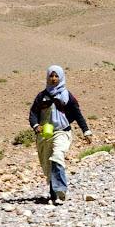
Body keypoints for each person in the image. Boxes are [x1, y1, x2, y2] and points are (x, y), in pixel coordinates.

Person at [29, 65, 92, 204]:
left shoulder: (67, 95)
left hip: (62, 132)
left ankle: (61, 191)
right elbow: (33, 113)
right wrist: (36, 126)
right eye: (51, 76)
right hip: (44, 136)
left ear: (61, 77)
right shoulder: (41, 96)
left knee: (57, 156)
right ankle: (54, 194)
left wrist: (86, 131)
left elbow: (77, 113)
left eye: (56, 76)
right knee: (48, 163)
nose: (53, 79)